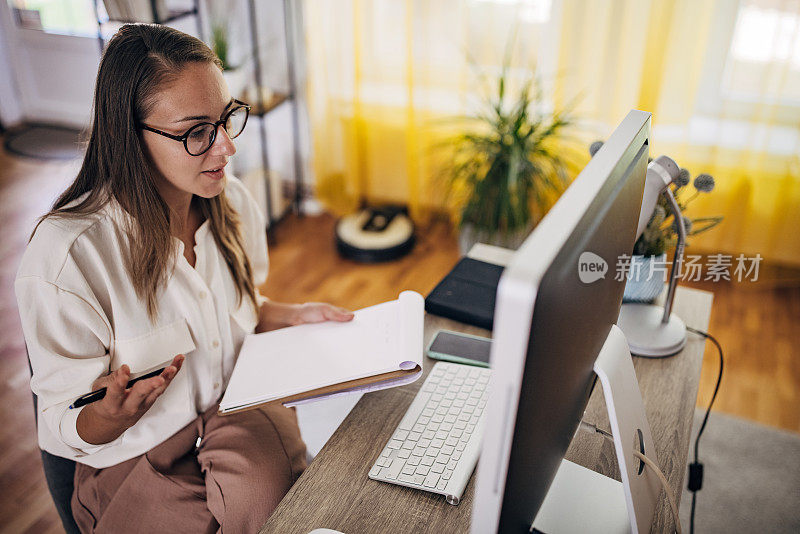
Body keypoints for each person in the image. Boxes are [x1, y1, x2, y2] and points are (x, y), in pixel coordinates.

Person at [15, 23, 354, 533]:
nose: (226, 149)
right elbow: (64, 417)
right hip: (136, 454)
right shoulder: (68, 258)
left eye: (226, 119)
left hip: (235, 408)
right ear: (129, 134)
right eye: (197, 132)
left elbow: (234, 313)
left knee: (286, 515)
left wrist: (287, 314)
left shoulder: (230, 202)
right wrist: (111, 416)